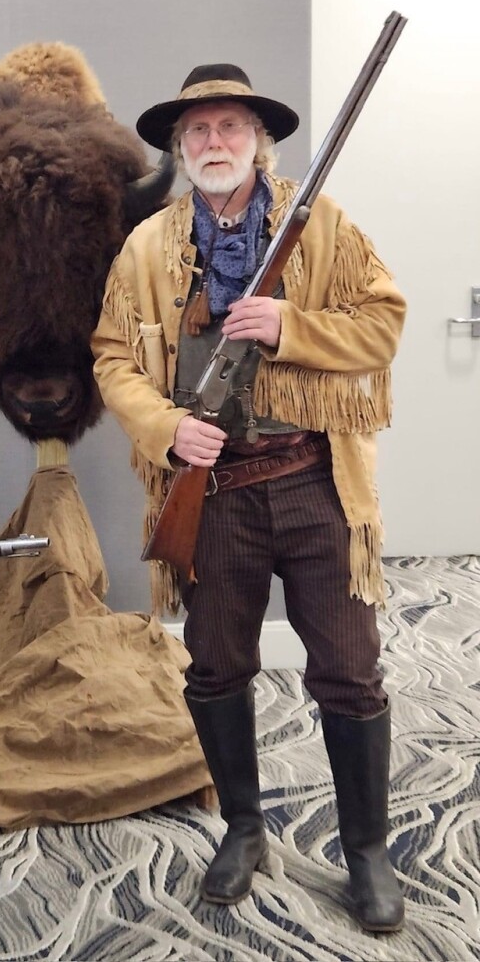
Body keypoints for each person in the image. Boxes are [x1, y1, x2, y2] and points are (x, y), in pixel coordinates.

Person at [90, 64, 406, 932]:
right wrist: (166, 431)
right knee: (216, 665)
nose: (215, 144)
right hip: (214, 490)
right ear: (180, 148)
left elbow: (384, 322)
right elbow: (113, 357)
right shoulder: (149, 246)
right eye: (199, 131)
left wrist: (289, 327)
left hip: (313, 480)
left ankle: (368, 851)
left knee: (348, 669)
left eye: (231, 127)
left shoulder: (321, 226)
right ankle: (242, 826)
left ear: (258, 140)